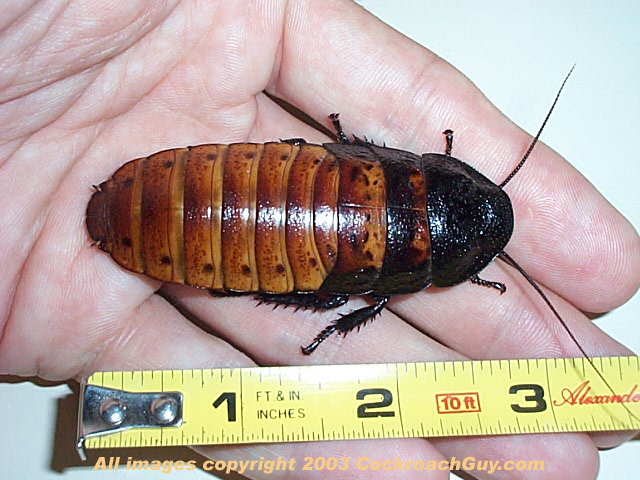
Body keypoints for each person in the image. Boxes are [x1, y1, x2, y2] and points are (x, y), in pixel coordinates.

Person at [0, 1, 637, 478]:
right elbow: (364, 298)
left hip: (261, 178)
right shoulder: (398, 278)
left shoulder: (396, 171)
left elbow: (357, 156)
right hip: (228, 217)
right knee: (334, 295)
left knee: (337, 290)